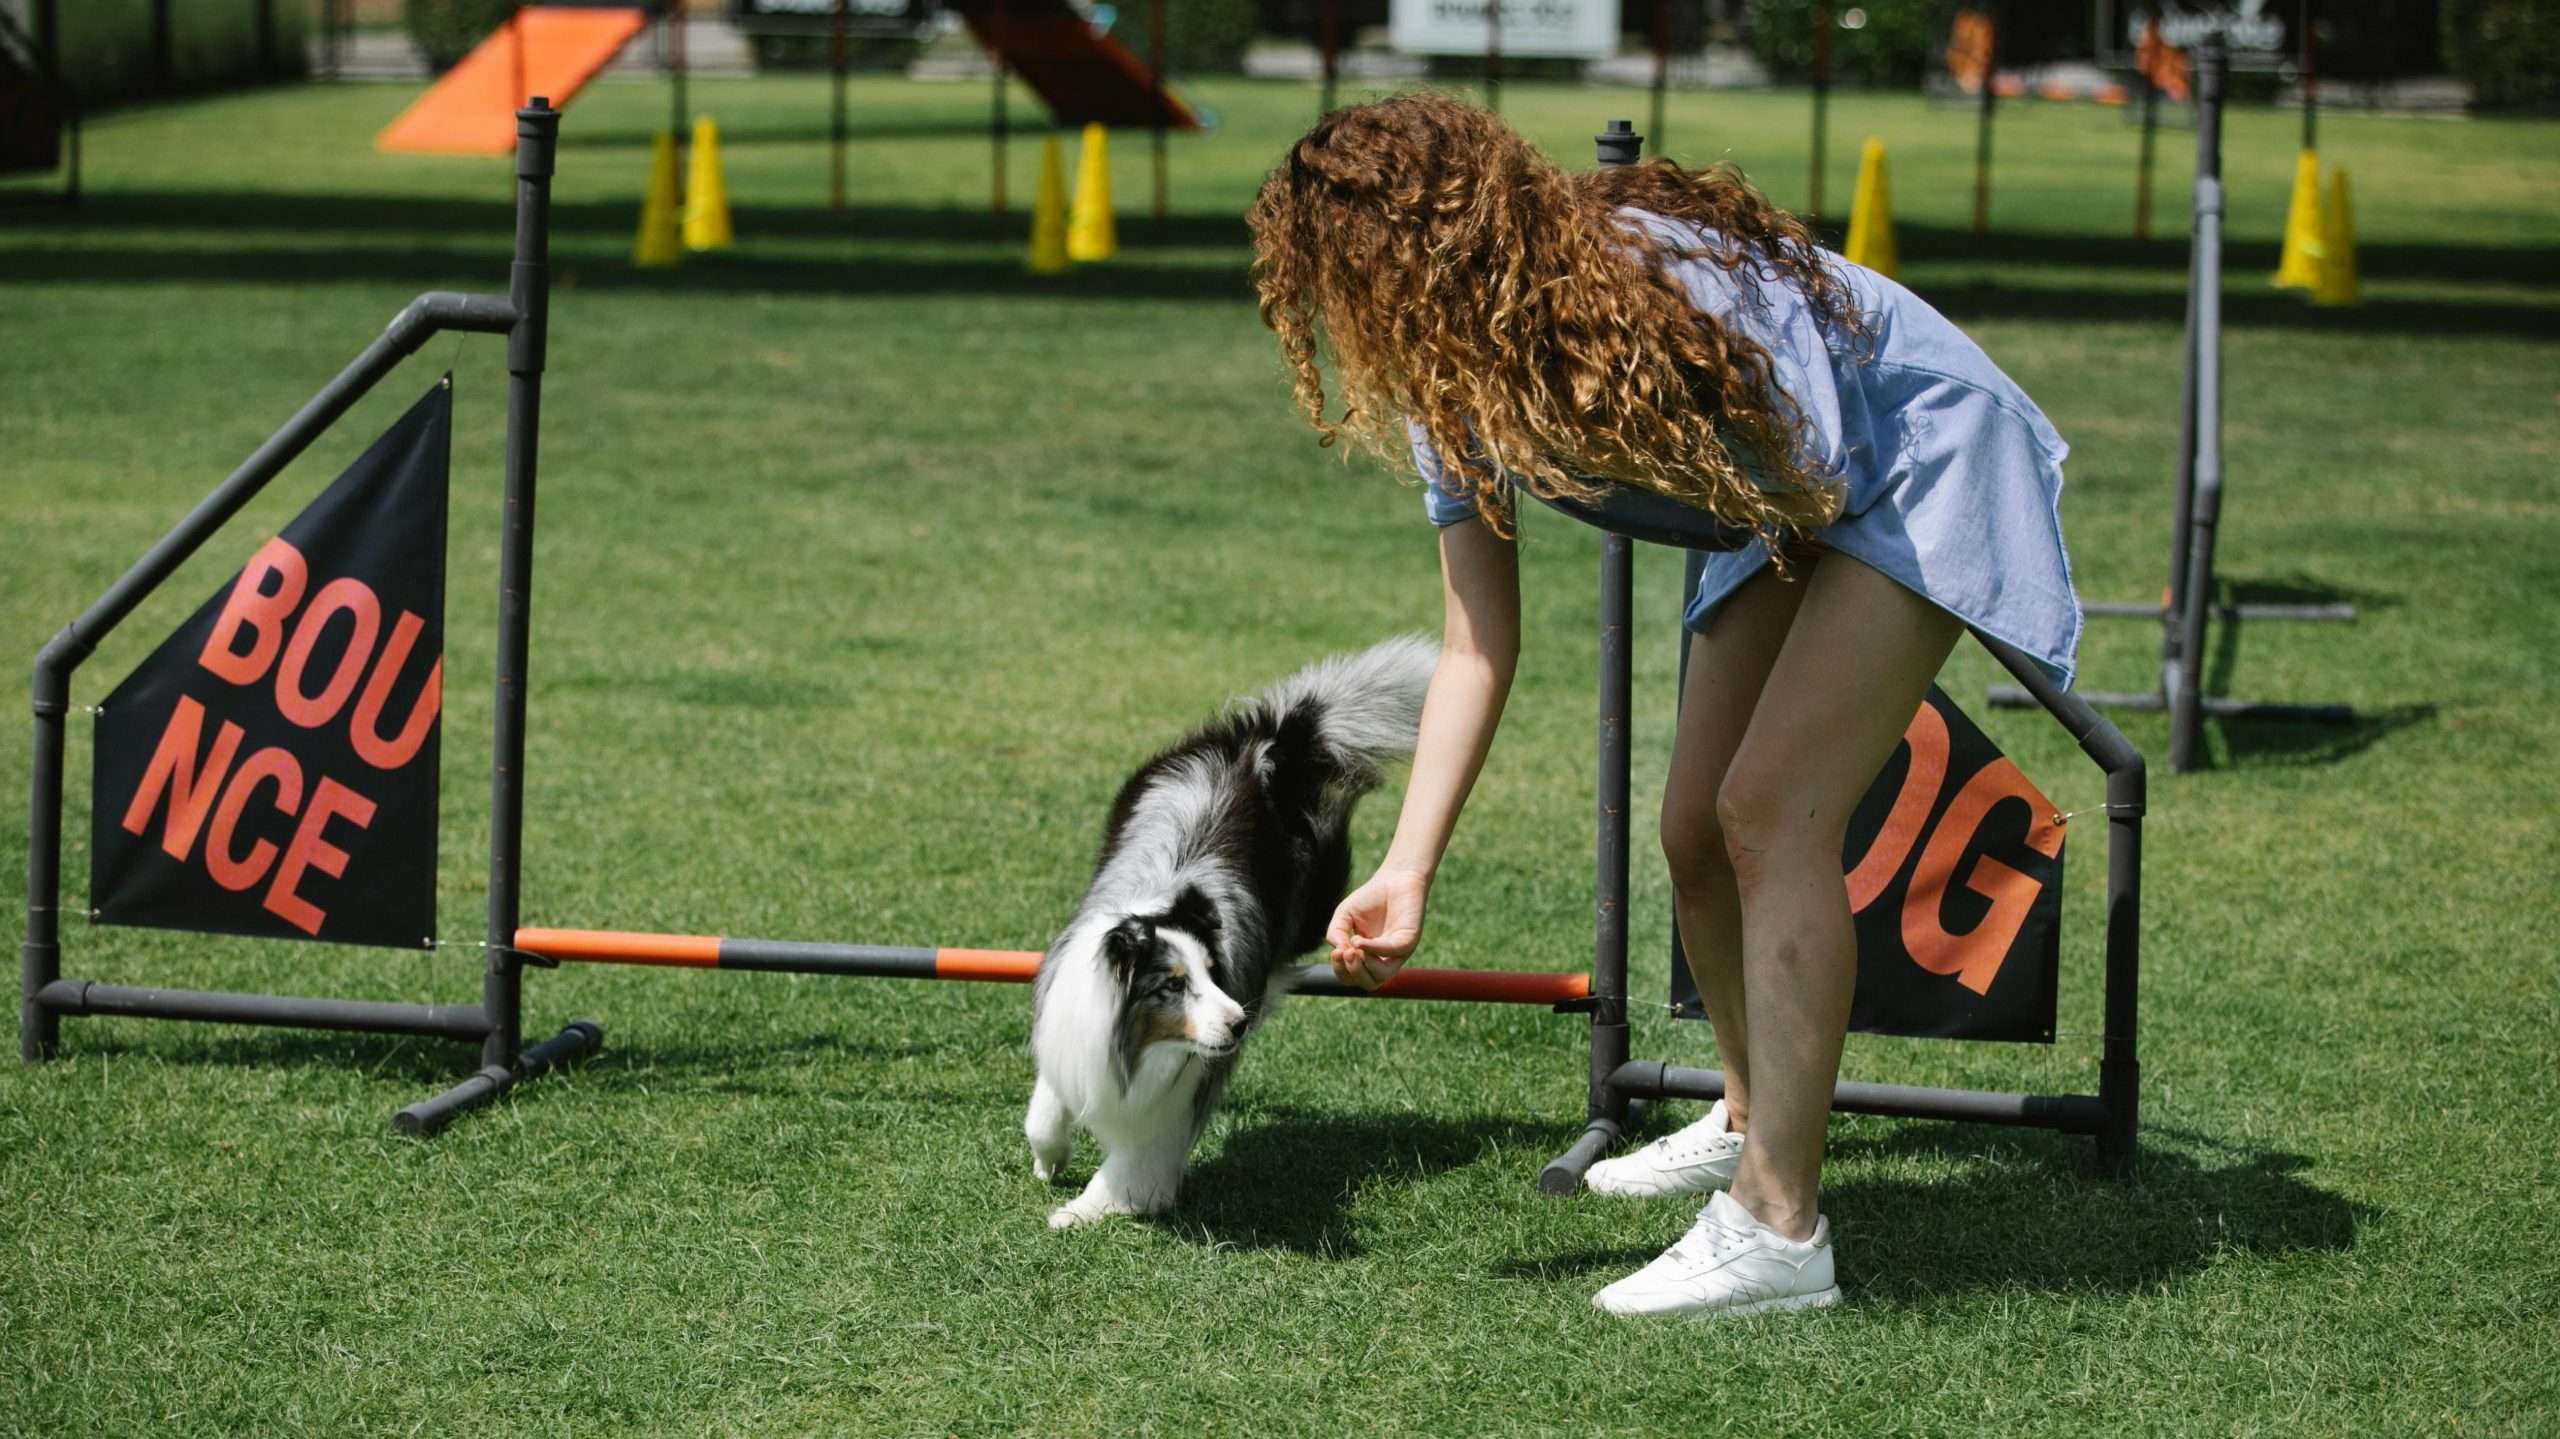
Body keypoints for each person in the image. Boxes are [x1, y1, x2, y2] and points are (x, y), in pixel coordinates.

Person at [1245, 94, 2080, 1318]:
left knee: (1769, 811)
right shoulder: (1450, 381)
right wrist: (1409, 869)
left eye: (1348, 279)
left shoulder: (1659, 275)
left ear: (1418, 248)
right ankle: (1746, 1116)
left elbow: (1822, 447)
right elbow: (1479, 641)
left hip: (1909, 457)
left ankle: (1779, 1224)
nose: (1343, 319)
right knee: (1696, 828)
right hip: (1788, 501)